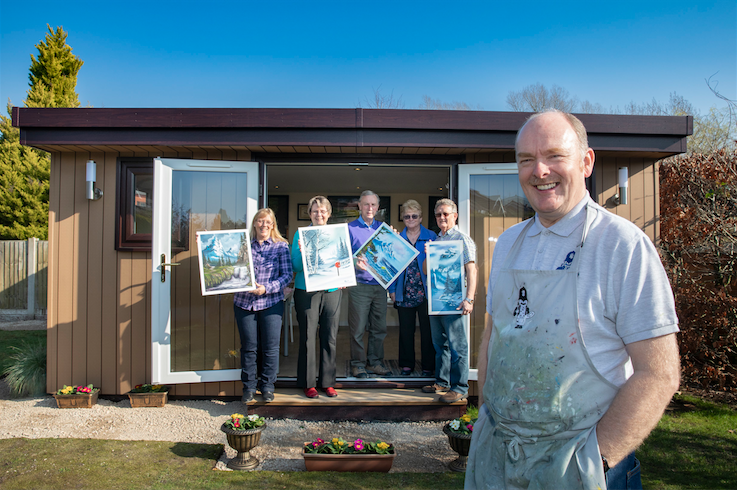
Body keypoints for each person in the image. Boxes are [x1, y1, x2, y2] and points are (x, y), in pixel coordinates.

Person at [465, 110, 680, 490]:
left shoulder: (622, 246)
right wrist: (487, 417)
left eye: (554, 156)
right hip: (501, 461)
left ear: (586, 162)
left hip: (582, 467)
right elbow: (492, 339)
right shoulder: (509, 244)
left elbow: (658, 373)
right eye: (526, 159)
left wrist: (595, 460)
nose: (539, 170)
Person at [233, 208, 293, 404]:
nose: (263, 225)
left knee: (270, 348)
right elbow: (227, 269)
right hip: (244, 303)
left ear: (273, 225)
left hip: (271, 302)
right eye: (260, 221)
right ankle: (249, 387)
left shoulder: (281, 247)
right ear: (254, 224)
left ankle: (267, 386)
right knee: (249, 347)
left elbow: (286, 276)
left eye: (267, 222)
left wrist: (266, 288)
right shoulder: (242, 246)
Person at [421, 198, 477, 403]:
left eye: (446, 213)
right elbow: (427, 271)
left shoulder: (462, 239)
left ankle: (460, 387)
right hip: (436, 301)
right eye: (438, 214)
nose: (442, 217)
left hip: (454, 301)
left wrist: (469, 299)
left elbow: (471, 270)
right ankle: (442, 382)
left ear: (455, 215)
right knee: (440, 344)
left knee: (457, 345)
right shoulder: (436, 240)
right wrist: (428, 254)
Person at [291, 196, 342, 398]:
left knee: (329, 337)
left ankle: (327, 382)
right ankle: (308, 383)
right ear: (309, 213)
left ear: (328, 214)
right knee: (307, 338)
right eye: (315, 211)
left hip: (332, 291)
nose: (319, 214)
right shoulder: (300, 235)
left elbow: (342, 261)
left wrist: (343, 273)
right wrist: (304, 253)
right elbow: (295, 266)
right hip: (307, 291)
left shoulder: (337, 234)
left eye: (322, 211)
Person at [389, 199, 437, 377]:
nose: (410, 219)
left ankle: (427, 366)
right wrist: (392, 290)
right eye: (407, 216)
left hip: (426, 293)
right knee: (406, 331)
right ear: (402, 218)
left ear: (421, 217)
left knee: (428, 331)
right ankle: (406, 365)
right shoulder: (397, 239)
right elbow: (391, 267)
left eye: (414, 216)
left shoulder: (431, 236)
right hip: (404, 291)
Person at [347, 190, 391, 378]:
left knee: (379, 327)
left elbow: (391, 257)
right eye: (366, 204)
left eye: (373, 205)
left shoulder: (383, 229)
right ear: (359, 206)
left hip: (380, 285)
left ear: (378, 207)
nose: (369, 208)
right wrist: (355, 261)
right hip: (359, 285)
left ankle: (375, 362)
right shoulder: (349, 229)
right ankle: (358, 364)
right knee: (357, 328)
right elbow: (342, 257)